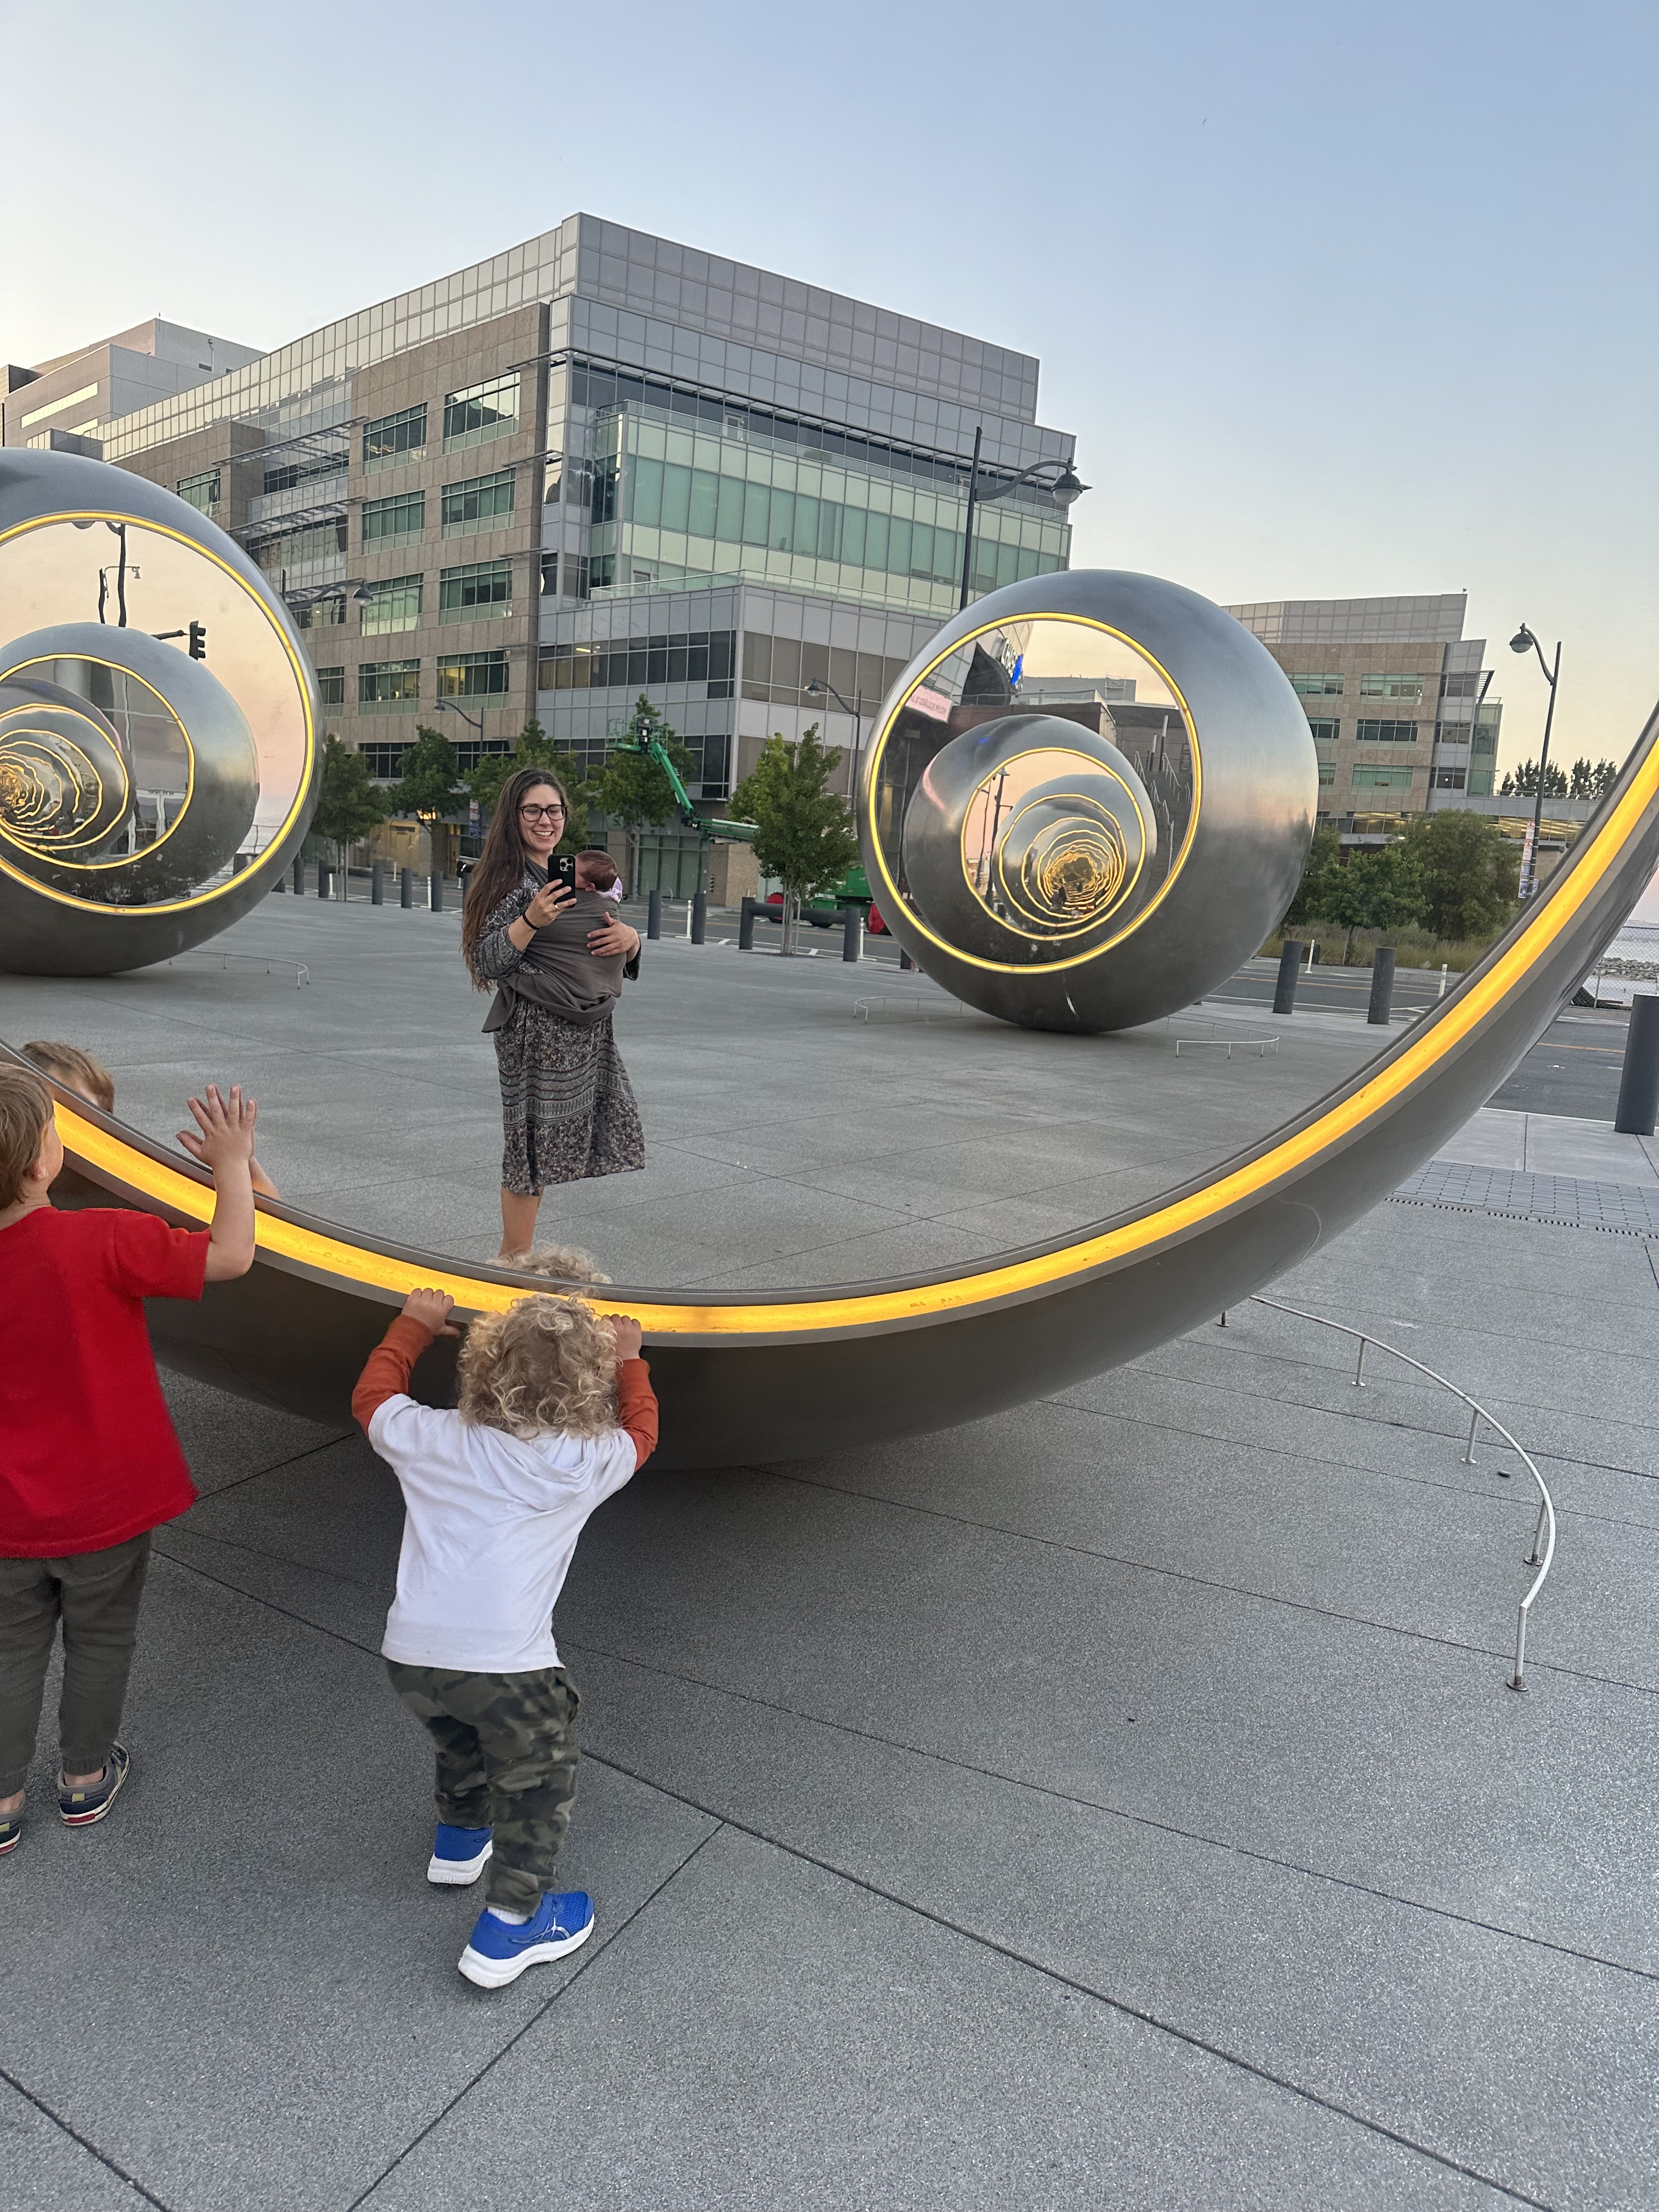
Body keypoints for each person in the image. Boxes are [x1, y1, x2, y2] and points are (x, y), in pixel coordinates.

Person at [352, 1283, 657, 1988]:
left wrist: (413, 1326)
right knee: (538, 1783)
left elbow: (373, 1397)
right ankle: (513, 1927)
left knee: (458, 1740)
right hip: (512, 1672)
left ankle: (460, 1843)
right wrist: (632, 1360)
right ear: (591, 1385)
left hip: (414, 1658)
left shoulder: (430, 1437)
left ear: (481, 1368)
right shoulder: (587, 1462)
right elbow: (643, 1431)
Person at [0, 1065, 258, 1856]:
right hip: (106, 1501)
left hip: (8, 1511)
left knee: (10, 1648)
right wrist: (232, 1162)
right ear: (46, 1163)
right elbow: (231, 1255)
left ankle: (4, 1799)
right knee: (102, 1639)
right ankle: (83, 1779)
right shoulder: (103, 1236)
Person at [460, 770, 644, 1261]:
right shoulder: (506, 877)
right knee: (528, 1149)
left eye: (554, 810)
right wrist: (530, 921)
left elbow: (600, 930)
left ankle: (517, 1256)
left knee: (545, 1149)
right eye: (533, 811)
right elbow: (487, 960)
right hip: (534, 1033)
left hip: (586, 1026)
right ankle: (514, 1258)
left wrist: (633, 942)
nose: (546, 821)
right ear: (514, 817)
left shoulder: (575, 871)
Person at [21, 1040, 280, 1198]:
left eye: (73, 1109)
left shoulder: (130, 1182)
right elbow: (236, 1250)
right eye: (42, 1109)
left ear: (106, 1119)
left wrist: (238, 1161)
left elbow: (265, 1223)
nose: (55, 1123)